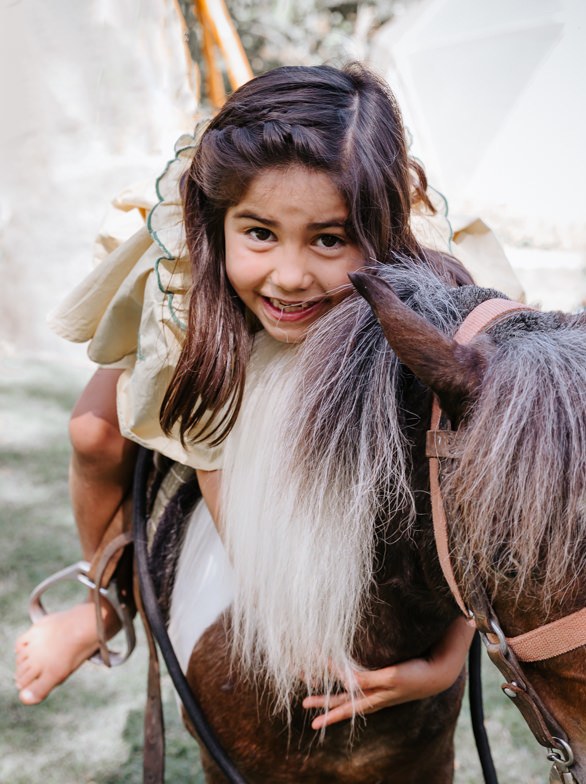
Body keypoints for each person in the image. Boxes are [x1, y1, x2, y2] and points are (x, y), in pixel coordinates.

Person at [15, 63, 475, 724]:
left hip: (358, 322)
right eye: (260, 233)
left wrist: (448, 657)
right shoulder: (194, 296)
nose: (289, 277)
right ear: (219, 222)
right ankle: (103, 603)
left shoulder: (421, 305)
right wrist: (279, 612)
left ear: (376, 234)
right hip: (222, 324)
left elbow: (466, 497)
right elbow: (219, 467)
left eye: (328, 239)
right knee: (93, 430)